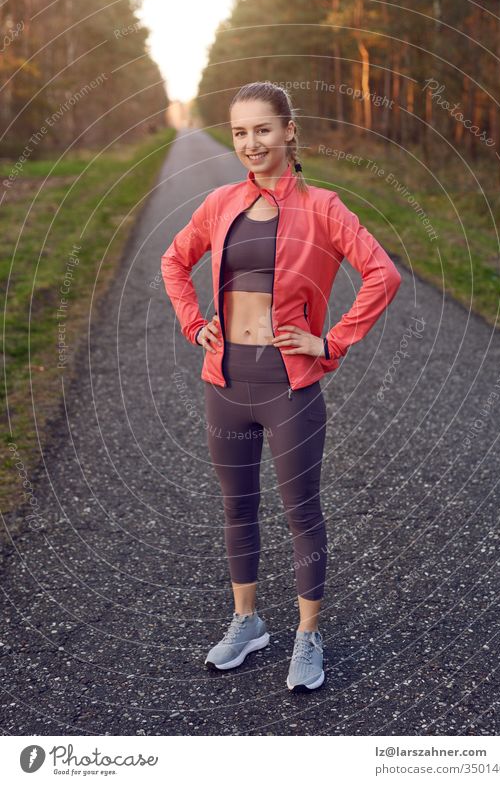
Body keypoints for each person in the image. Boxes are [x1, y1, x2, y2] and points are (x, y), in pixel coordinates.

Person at [161, 81, 402, 692]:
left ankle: (307, 634)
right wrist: (194, 323)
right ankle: (248, 622)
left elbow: (383, 273)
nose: (250, 143)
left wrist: (333, 341)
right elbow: (173, 260)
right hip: (227, 379)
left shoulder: (324, 208)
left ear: (289, 131)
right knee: (237, 507)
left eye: (262, 129)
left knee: (301, 512)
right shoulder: (219, 204)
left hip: (289, 387)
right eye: (240, 132)